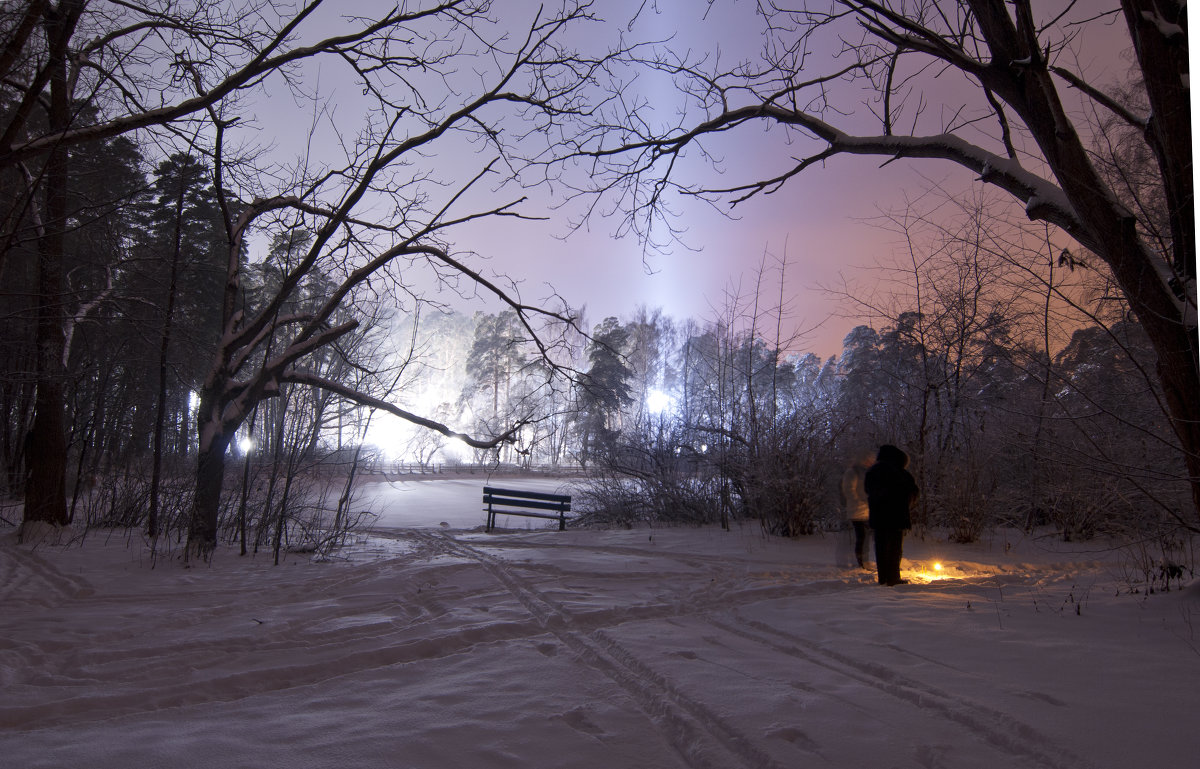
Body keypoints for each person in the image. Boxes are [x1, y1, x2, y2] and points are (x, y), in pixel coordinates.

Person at [864, 444, 919, 586]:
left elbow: (869, 490)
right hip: (896, 516)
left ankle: (883, 578)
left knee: (881, 548)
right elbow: (912, 491)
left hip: (878, 516)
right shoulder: (900, 473)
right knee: (894, 548)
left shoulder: (873, 471)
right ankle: (893, 578)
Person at [840, 451, 873, 569]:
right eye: (868, 460)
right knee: (862, 537)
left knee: (865, 537)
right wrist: (859, 501)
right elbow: (849, 490)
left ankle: (865, 560)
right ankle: (861, 562)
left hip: (866, 510)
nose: (870, 462)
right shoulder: (853, 472)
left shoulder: (865, 472)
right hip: (857, 510)